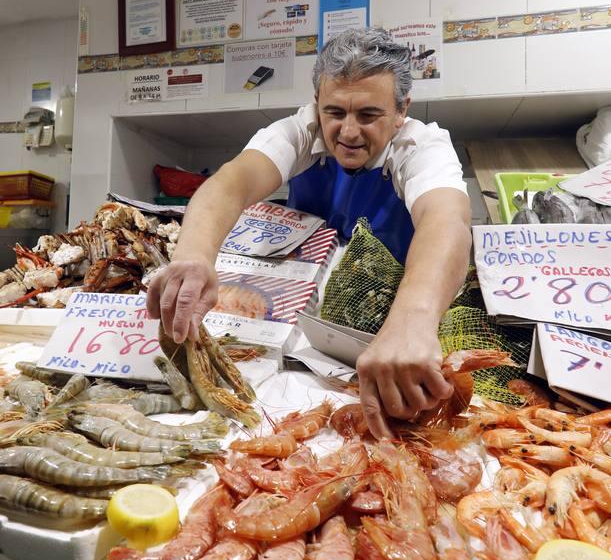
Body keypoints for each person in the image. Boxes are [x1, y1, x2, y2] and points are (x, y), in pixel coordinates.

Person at [148, 28, 472, 437]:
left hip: (391, 324)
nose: (349, 133)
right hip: (303, 323)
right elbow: (231, 183)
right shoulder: (299, 131)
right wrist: (193, 257)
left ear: (401, 109)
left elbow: (448, 221)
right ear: (316, 104)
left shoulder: (422, 146)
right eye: (335, 113)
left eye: (369, 115)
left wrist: (413, 320)